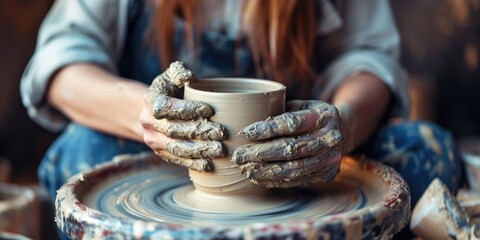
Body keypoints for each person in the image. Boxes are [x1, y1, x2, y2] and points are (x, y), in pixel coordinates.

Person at [22, 0, 462, 225]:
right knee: (79, 151)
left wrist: (342, 124)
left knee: (424, 149)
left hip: (297, 177)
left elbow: (368, 58)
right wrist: (146, 114)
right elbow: (62, 64)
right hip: (160, 164)